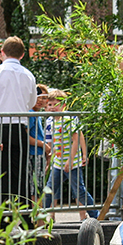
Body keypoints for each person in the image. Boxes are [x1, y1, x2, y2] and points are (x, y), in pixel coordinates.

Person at [0, 36, 38, 218]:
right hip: (19, 129)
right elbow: (32, 102)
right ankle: (25, 219)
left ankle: (4, 221)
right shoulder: (28, 75)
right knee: (20, 175)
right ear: (23, 55)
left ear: (1, 53)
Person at [43, 89, 98, 220]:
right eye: (50, 105)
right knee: (49, 189)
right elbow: (53, 145)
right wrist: (49, 162)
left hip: (72, 163)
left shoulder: (67, 119)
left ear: (63, 105)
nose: (52, 107)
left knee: (79, 190)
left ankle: (95, 214)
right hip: (58, 163)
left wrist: (71, 159)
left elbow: (76, 138)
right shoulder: (50, 121)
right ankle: (41, 216)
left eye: (55, 104)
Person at [27, 84, 51, 203]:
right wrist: (43, 145)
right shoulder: (31, 113)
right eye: (39, 97)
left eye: (44, 97)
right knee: (36, 187)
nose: (41, 100)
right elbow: (26, 136)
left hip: (39, 153)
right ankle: (38, 218)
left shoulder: (36, 114)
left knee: (38, 186)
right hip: (34, 153)